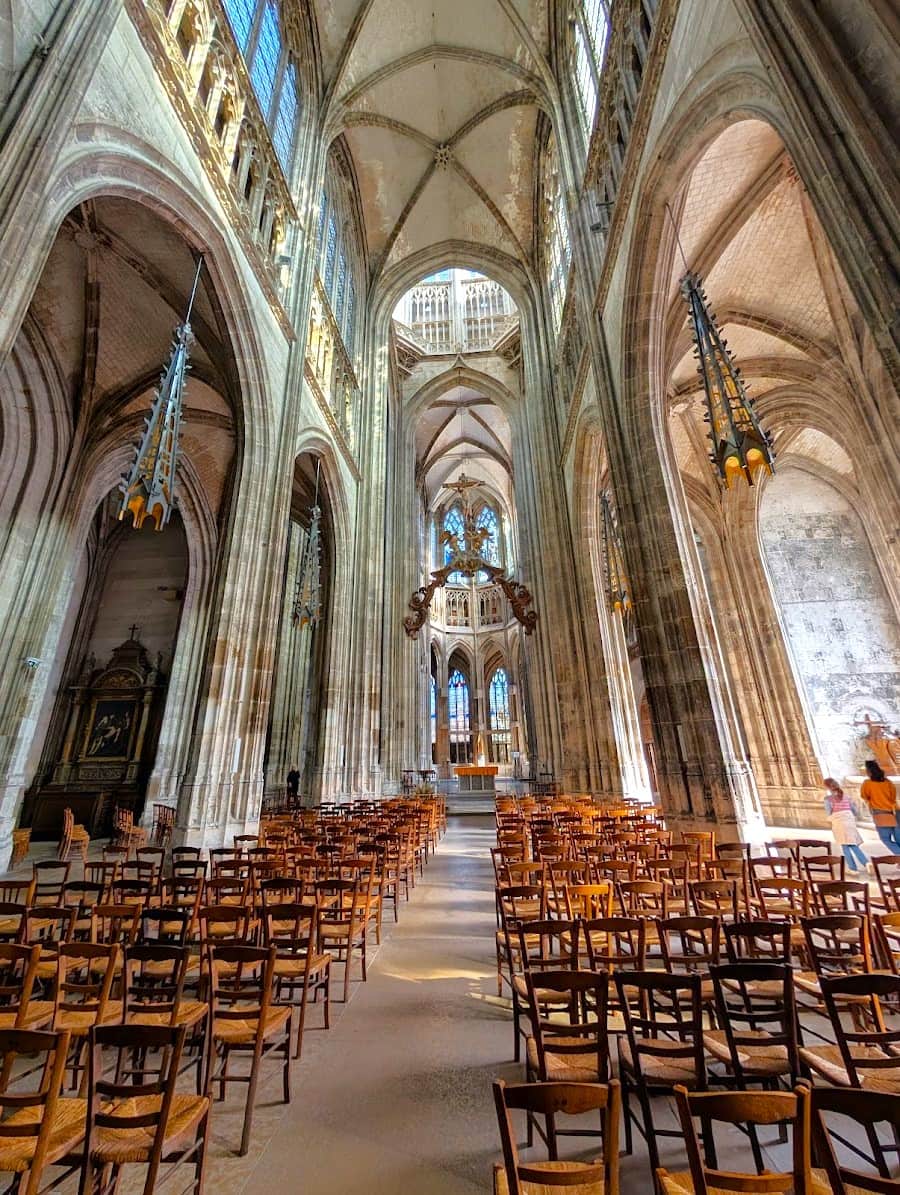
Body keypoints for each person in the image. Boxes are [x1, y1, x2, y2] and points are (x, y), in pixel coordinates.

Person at [823, 778, 868, 873]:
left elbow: (829, 812)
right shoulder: (847, 797)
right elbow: (854, 810)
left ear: (827, 787)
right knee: (852, 843)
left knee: (844, 845)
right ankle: (866, 863)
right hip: (849, 820)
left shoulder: (828, 799)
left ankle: (852, 868)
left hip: (839, 822)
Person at [860, 759, 900, 854]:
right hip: (896, 812)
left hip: (880, 814)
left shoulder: (867, 783)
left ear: (868, 771)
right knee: (899, 839)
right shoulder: (888, 782)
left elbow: (864, 796)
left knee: (885, 839)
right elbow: (893, 796)